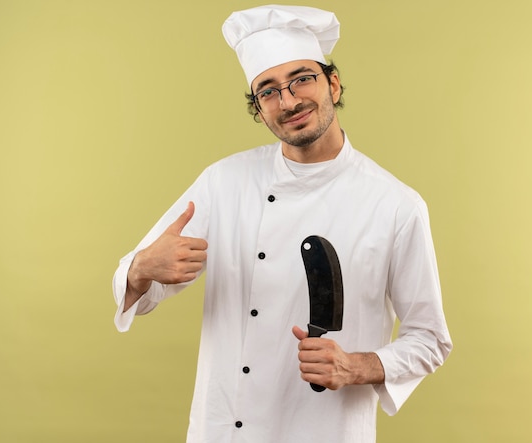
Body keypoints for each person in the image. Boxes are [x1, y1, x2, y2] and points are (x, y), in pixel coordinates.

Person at [113, 5, 452, 442]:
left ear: (333, 81)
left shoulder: (395, 205)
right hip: (221, 431)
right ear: (258, 108)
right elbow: (136, 286)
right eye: (268, 91)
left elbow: (430, 339)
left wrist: (357, 366)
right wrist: (142, 268)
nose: (288, 101)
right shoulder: (224, 182)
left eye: (301, 79)